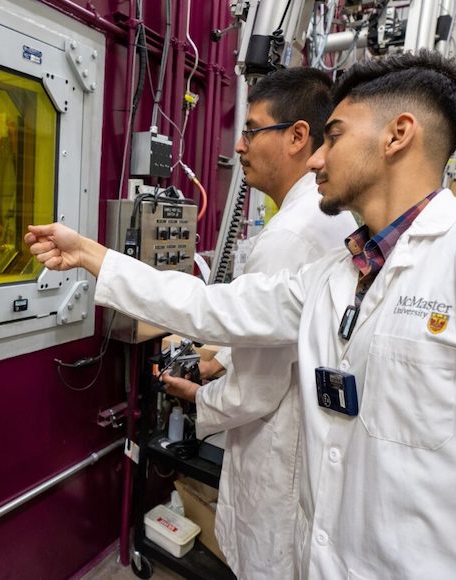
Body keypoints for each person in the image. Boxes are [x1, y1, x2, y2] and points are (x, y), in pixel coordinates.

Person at [26, 50, 456, 578]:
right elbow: (214, 307)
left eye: (333, 136)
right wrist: (95, 257)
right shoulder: (336, 274)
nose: (315, 161)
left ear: (397, 135)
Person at [160, 68, 355, 580]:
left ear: (296, 136)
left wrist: (197, 397)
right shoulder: (325, 217)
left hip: (279, 454)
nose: (240, 147)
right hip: (306, 448)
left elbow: (258, 388)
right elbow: (282, 321)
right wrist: (217, 357)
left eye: (251, 130)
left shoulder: (290, 234)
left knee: (266, 562)